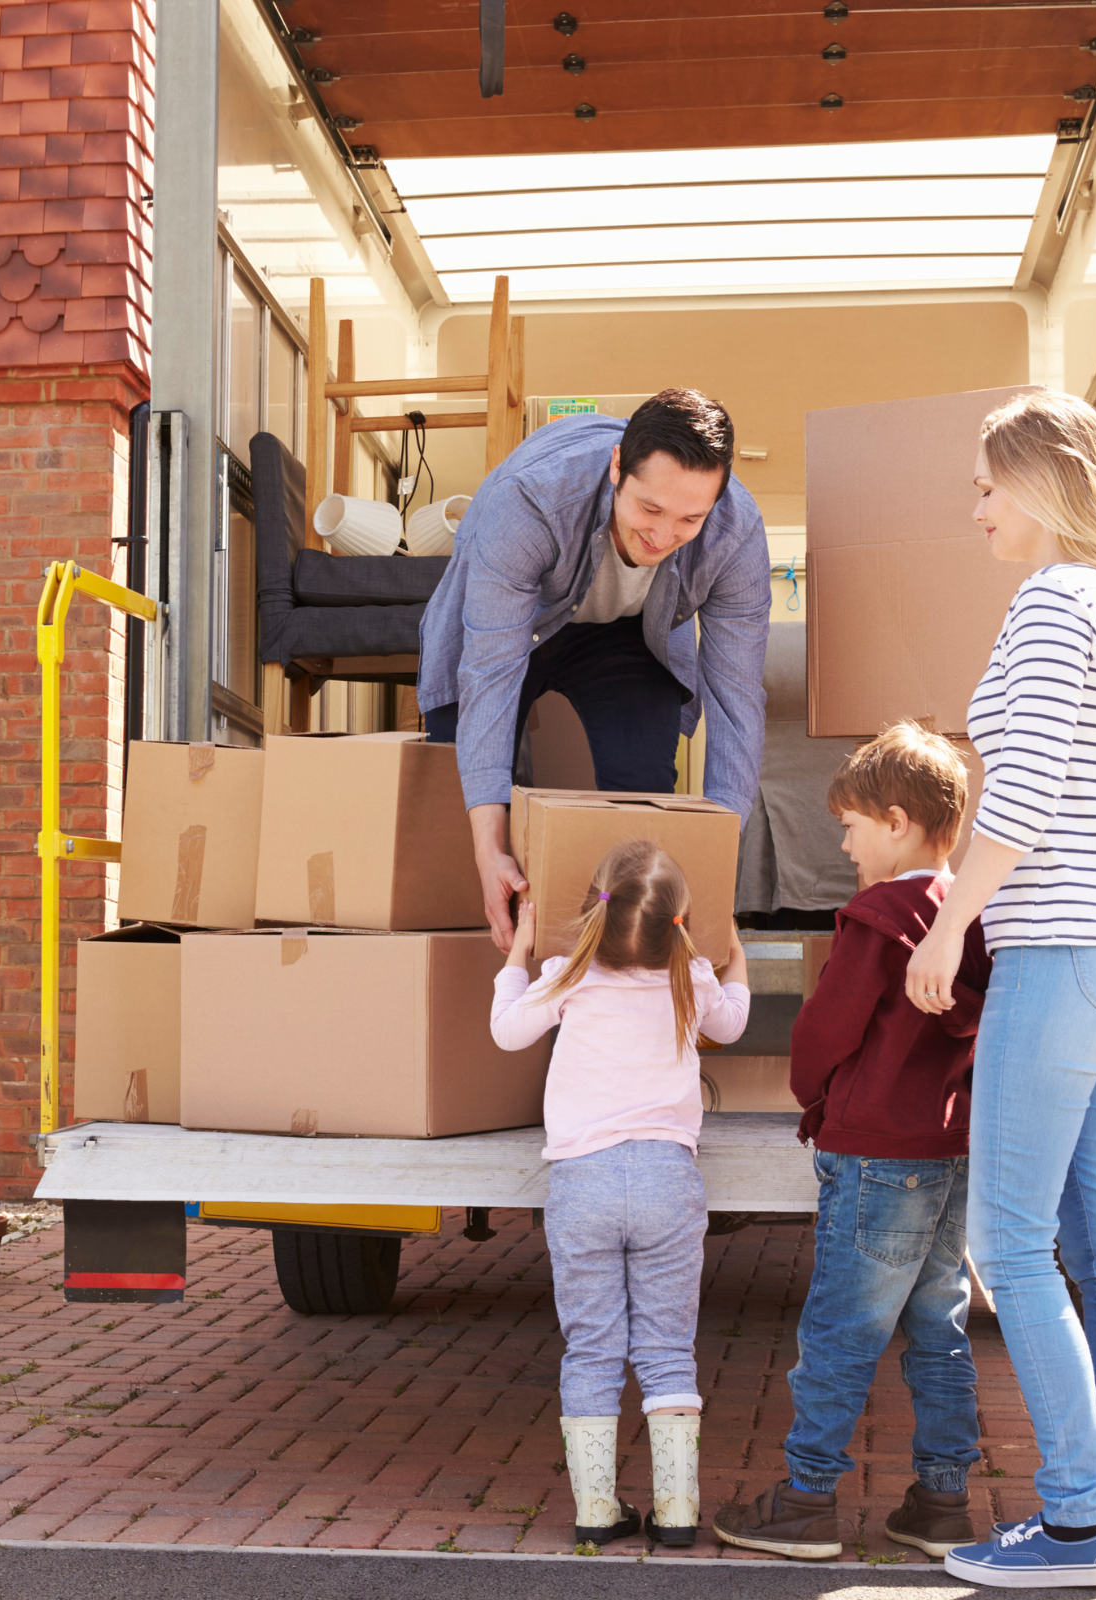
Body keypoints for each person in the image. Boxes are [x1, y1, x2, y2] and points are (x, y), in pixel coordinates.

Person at [904, 391, 1096, 1588]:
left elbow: (1017, 796)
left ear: (1037, 480)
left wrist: (947, 928)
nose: (974, 510)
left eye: (984, 486)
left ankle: (1074, 1521)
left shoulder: (1049, 601)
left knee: (1007, 1243)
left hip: (1064, 956)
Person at [713, 723, 993, 1562]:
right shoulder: (967, 917)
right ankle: (942, 1503)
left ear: (897, 823)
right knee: (939, 1329)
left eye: (850, 824)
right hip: (949, 1153)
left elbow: (823, 1032)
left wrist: (816, 1098)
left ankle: (803, 1501)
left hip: (874, 1155)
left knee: (839, 1331)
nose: (841, 840)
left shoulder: (876, 918)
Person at [418, 391, 772, 952]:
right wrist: (489, 847)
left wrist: (713, 870)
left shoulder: (736, 533)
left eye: (689, 519)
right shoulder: (530, 501)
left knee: (643, 801)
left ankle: (618, 984)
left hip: (627, 635)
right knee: (462, 826)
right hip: (512, 625)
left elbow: (736, 700)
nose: (662, 535)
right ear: (616, 469)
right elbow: (489, 672)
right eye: (650, 509)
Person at [489, 840, 751, 1548]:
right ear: (682, 922)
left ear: (592, 913)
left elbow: (507, 1031)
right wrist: (734, 957)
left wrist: (516, 954)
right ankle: (676, 1510)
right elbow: (733, 1023)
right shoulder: (690, 978)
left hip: (584, 1183)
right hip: (669, 1180)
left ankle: (598, 1509)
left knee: (593, 1348)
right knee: (668, 1347)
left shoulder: (567, 976)